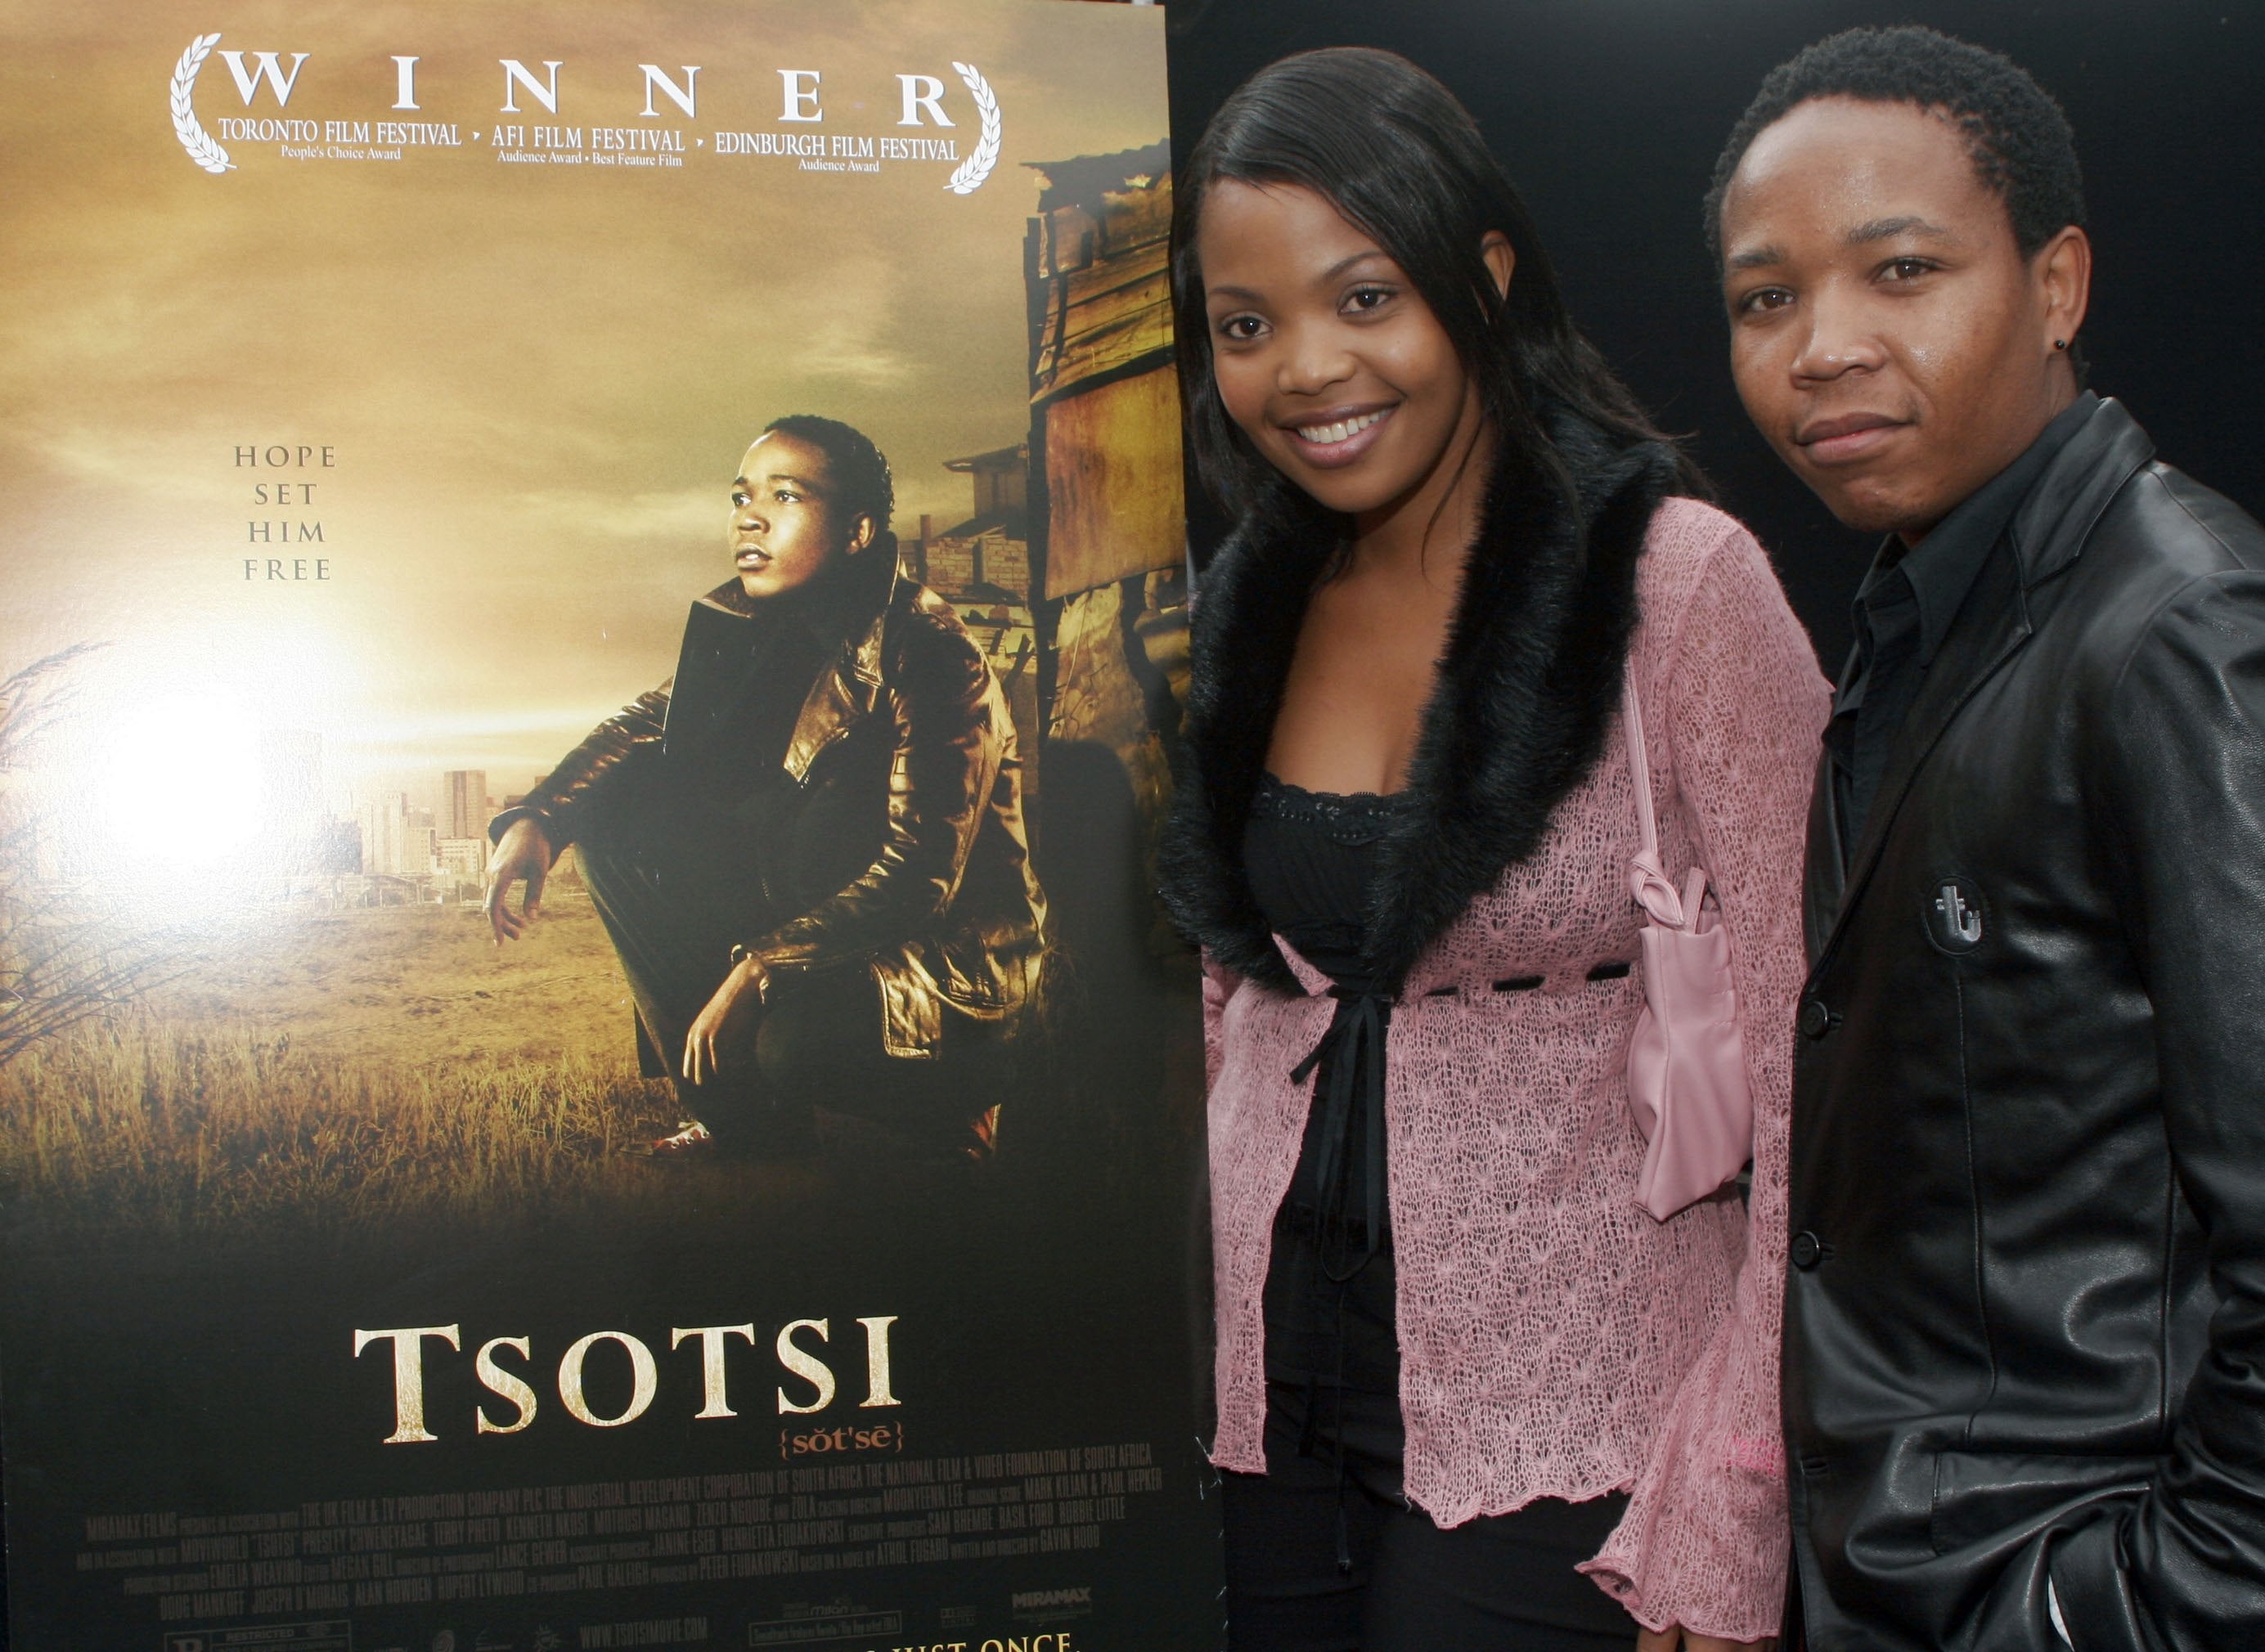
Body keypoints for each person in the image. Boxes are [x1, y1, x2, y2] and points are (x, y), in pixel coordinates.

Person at [1705, 26, 2265, 1650]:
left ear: (2057, 285)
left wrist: (2089, 1618)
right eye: (1766, 298)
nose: (1824, 346)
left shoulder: (2192, 641)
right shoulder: (1932, 616)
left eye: (1902, 270)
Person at [1160, 47, 1827, 1651]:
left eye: (1363, 297)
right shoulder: (1247, 598)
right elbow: (1234, 998)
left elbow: (1825, 1062)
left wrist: (1740, 1484)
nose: (1306, 368)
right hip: (1272, 1416)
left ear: (1488, 272)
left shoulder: (1675, 580)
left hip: (1576, 1418)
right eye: (1245, 325)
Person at [484, 415, 1046, 1158]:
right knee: (617, 827)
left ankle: (956, 1108)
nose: (749, 518)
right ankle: (738, 1122)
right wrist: (539, 819)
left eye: (784, 497)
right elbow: (644, 725)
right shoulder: (759, 626)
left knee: (793, 1046)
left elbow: (920, 877)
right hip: (818, 929)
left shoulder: (931, 653)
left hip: (940, 967)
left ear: (857, 531)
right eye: (740, 496)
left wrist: (761, 969)